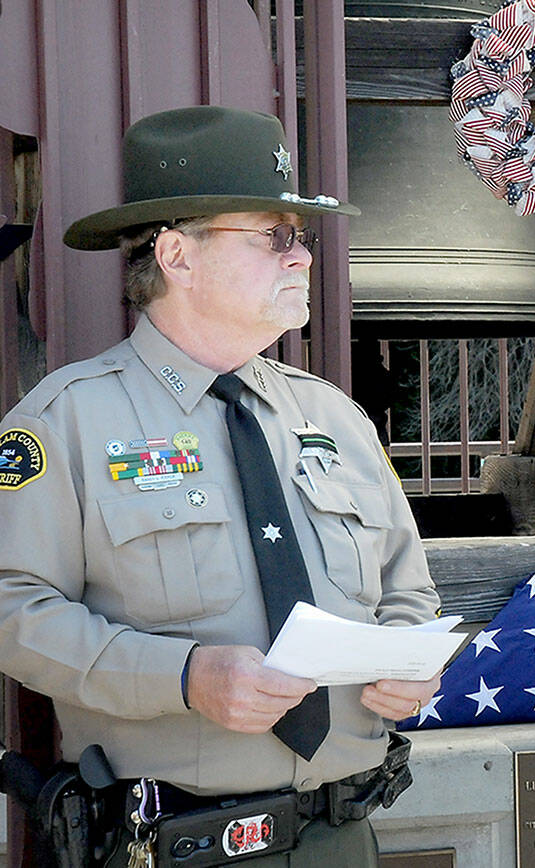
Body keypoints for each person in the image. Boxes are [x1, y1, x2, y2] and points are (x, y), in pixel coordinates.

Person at [0, 106, 441, 866]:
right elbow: (14, 611)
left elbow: (409, 590)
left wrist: (411, 662)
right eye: (274, 237)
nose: (302, 257)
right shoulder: (63, 422)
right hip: (175, 846)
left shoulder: (333, 416)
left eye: (299, 238)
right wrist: (184, 676)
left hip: (343, 834)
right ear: (177, 255)